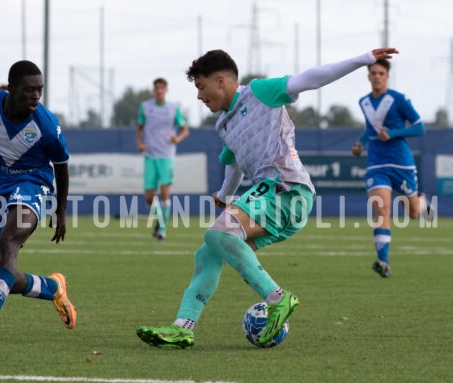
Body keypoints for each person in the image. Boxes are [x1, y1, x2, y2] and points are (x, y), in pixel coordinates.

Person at [137, 47, 400, 349]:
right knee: (208, 251)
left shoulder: (260, 92)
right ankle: (183, 327)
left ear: (221, 81)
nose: (198, 96)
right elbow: (233, 164)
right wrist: (225, 195)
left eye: (201, 86)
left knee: (217, 234)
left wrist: (363, 59)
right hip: (268, 194)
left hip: (287, 189)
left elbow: (310, 79)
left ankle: (278, 298)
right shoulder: (223, 124)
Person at [0, 60, 76, 340]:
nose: (35, 96)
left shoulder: (46, 124)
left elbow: (62, 165)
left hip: (33, 185)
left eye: (40, 90)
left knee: (9, 240)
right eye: (29, 90)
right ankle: (52, 288)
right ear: (11, 88)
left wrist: (61, 210)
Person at [351, 59, 428, 278]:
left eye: (381, 73)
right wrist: (360, 144)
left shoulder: (398, 99)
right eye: (373, 72)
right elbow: (370, 129)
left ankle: (422, 202)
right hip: (376, 164)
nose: (377, 76)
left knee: (413, 213)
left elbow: (420, 128)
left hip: (401, 163)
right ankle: (383, 261)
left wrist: (393, 134)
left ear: (387, 76)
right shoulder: (364, 102)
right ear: (368, 76)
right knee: (381, 209)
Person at [136, 78, 190, 241]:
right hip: (150, 156)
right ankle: (160, 221)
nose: (159, 90)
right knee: (149, 197)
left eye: (162, 88)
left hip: (166, 156)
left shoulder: (173, 108)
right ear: (154, 90)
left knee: (165, 193)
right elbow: (139, 129)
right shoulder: (145, 107)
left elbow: (185, 130)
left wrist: (177, 139)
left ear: (166, 90)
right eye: (156, 88)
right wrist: (139, 144)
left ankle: (162, 230)